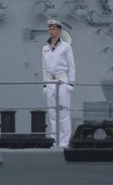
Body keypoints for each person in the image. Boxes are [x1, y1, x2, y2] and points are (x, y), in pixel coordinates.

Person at [42, 18, 75, 148]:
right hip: (50, 81)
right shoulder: (45, 48)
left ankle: (64, 142)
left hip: (62, 81)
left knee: (63, 113)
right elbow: (44, 67)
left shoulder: (65, 47)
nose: (51, 31)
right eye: (50, 29)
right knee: (52, 114)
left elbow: (71, 65)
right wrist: (44, 84)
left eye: (54, 29)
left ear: (59, 31)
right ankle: (54, 140)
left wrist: (70, 83)